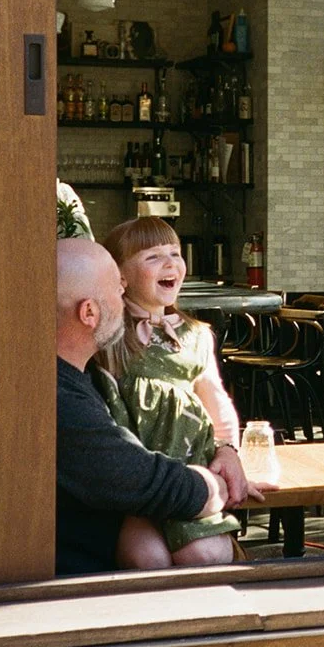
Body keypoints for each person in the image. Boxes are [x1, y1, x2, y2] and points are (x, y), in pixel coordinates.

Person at [93, 216, 266, 568]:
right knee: (146, 558)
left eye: (174, 252)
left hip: (192, 471)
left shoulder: (196, 334)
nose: (170, 262)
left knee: (202, 554)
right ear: (120, 276)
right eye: (153, 256)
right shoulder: (109, 335)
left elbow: (216, 400)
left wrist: (228, 452)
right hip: (139, 481)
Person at [55, 237, 229, 574]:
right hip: (78, 589)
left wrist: (227, 449)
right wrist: (211, 488)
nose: (124, 297)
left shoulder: (72, 376)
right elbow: (127, 477)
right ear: (89, 312)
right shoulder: (58, 395)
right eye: (116, 290)